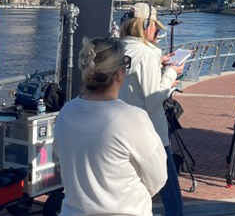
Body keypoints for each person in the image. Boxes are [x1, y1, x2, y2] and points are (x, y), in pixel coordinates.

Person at [54, 37, 167, 216]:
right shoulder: (132, 118)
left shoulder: (66, 112)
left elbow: (61, 159)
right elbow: (159, 176)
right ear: (119, 74)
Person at [120, 3, 185, 216]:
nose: (156, 33)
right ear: (146, 26)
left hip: (122, 130)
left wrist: (158, 63)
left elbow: (133, 85)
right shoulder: (147, 53)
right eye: (155, 29)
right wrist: (171, 74)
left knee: (131, 189)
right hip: (151, 133)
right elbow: (153, 99)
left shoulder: (117, 49)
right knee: (171, 194)